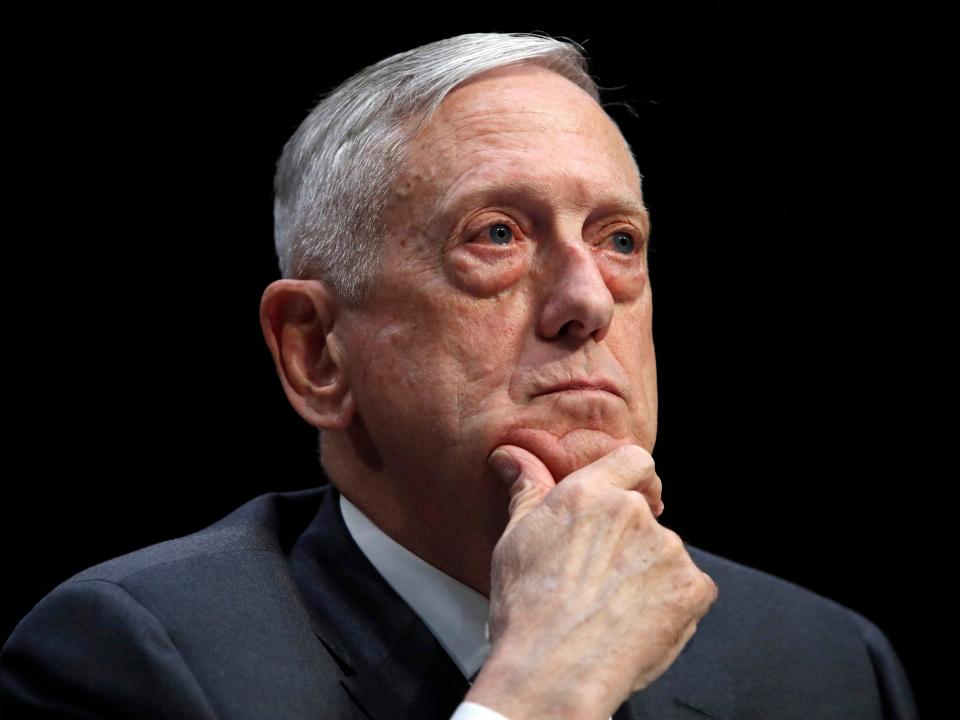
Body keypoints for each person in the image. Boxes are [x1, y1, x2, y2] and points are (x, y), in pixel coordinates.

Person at [1, 32, 918, 720]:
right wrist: (541, 690)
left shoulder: (823, 666)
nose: (586, 300)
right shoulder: (140, 659)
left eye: (620, 241)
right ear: (317, 352)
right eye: (497, 236)